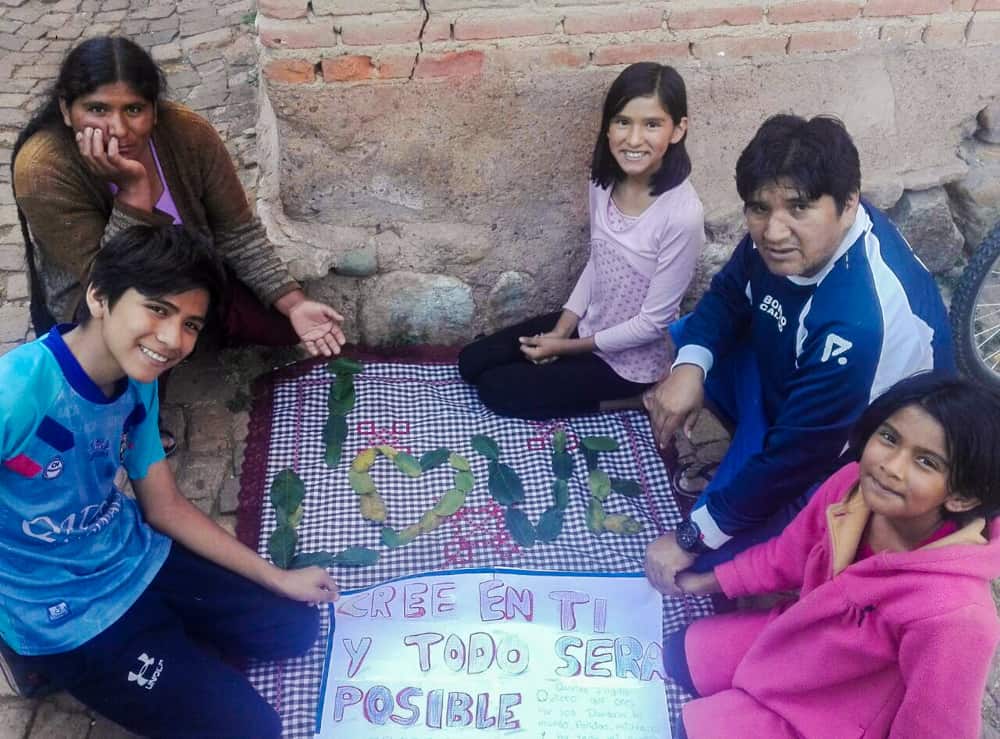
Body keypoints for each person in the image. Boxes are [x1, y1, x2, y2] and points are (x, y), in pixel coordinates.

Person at [0, 225, 339, 738]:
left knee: (294, 627)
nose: (172, 340)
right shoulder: (18, 393)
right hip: (62, 613)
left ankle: (165, 648)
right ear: (99, 296)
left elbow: (164, 505)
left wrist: (276, 577)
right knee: (251, 730)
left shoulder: (138, 380)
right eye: (157, 309)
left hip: (134, 554)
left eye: (191, 324)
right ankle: (40, 659)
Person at [643, 114, 954, 590]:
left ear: (848, 205)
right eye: (759, 208)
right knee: (691, 341)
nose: (773, 231)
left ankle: (796, 521)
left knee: (704, 571)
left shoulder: (857, 323)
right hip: (794, 392)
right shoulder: (784, 238)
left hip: (839, 450)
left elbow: (794, 457)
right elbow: (729, 294)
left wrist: (689, 538)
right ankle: (739, 459)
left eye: (798, 209)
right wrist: (688, 368)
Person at [12, 36, 347, 453]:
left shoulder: (188, 134)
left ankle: (196, 329)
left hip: (194, 274)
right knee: (140, 337)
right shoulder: (44, 169)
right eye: (97, 109)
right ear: (66, 109)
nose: (118, 129)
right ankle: (132, 416)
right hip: (100, 299)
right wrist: (134, 193)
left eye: (134, 109)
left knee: (282, 326)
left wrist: (293, 301)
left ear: (155, 110)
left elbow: (236, 231)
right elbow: (106, 282)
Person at [664, 373, 1000, 738]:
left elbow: (935, 729)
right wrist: (706, 582)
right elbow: (786, 556)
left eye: (926, 462)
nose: (891, 466)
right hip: (795, 637)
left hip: (836, 713)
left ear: (962, 497)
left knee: (688, 728)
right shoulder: (851, 486)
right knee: (674, 655)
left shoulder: (957, 616)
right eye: (889, 438)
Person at [458, 62, 704, 419]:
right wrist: (560, 331)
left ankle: (640, 399)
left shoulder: (681, 215)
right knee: (472, 362)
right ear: (607, 127)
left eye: (652, 124)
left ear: (678, 130)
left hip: (629, 361)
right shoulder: (603, 180)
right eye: (623, 122)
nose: (634, 140)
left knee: (498, 391)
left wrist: (567, 347)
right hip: (589, 326)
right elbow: (599, 259)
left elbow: (653, 323)